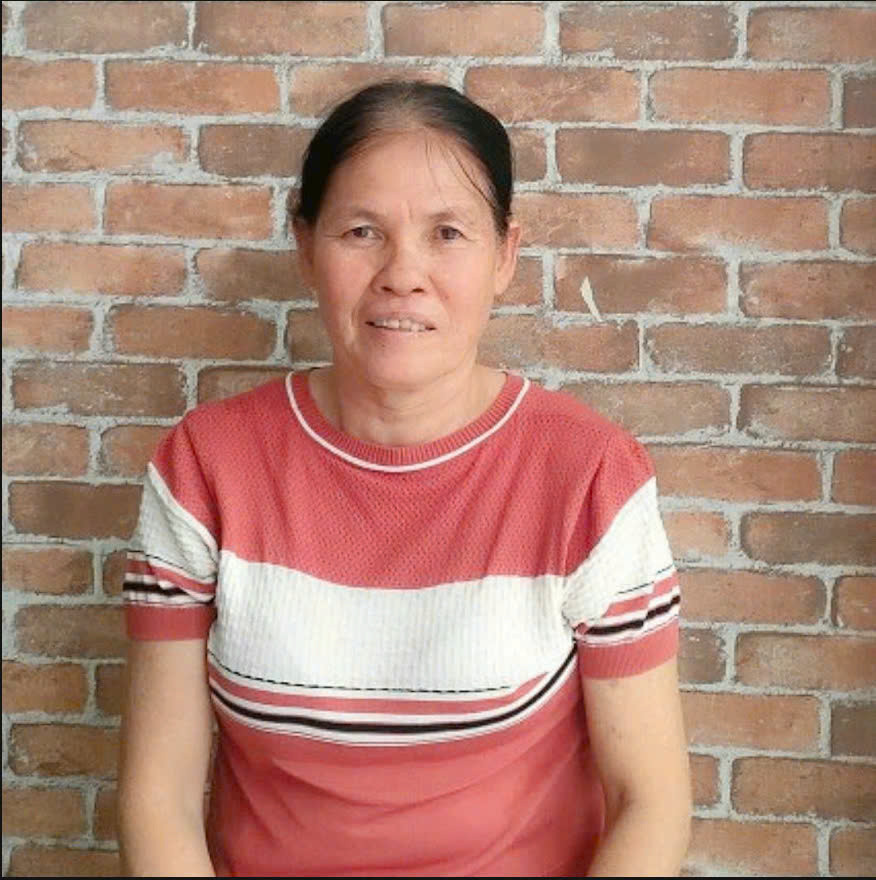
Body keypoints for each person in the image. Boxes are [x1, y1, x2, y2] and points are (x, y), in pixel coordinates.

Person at [118, 80, 691, 877]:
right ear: (305, 246)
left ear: (506, 255)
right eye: (362, 232)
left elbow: (650, 801)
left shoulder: (589, 474)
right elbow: (161, 797)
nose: (403, 274)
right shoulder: (205, 467)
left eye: (448, 233)